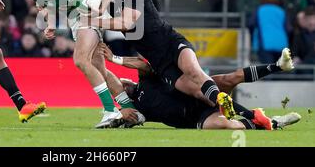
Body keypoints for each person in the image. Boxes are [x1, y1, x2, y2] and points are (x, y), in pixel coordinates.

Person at [90, 0, 237, 120]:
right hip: (159, 62)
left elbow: (125, 23)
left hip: (171, 44)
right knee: (195, 91)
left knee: (194, 72)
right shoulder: (112, 0)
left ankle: (220, 99)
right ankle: (251, 116)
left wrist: (91, 20)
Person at [29, 0, 143, 128]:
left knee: (80, 60)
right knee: (100, 70)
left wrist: (100, 12)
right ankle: (132, 112)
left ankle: (110, 111)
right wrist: (51, 23)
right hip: (75, 18)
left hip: (89, 6)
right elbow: (48, 6)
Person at [100, 43, 300, 130]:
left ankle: (278, 66)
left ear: (128, 80)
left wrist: (113, 59)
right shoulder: (135, 110)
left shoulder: (146, 81)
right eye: (119, 88)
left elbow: (142, 64)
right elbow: (113, 85)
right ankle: (271, 122)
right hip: (195, 118)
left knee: (230, 78)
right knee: (223, 124)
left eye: (123, 82)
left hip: (196, 94)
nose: (122, 86)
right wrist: (117, 118)